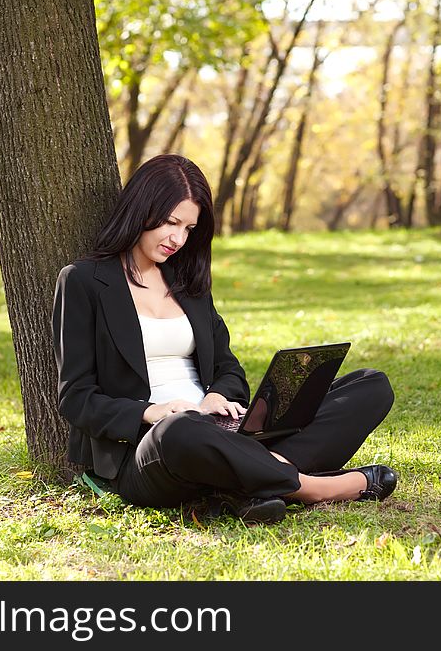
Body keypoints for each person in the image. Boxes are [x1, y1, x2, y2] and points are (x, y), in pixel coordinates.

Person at [51, 154, 398, 524]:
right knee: (181, 428)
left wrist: (219, 396)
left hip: (219, 431)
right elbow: (76, 398)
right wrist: (150, 412)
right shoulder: (83, 281)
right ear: (141, 209)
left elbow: (227, 367)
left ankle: (244, 483)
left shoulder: (187, 283)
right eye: (170, 223)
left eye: (188, 228)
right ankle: (314, 487)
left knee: (371, 385)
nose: (178, 239)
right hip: (152, 447)